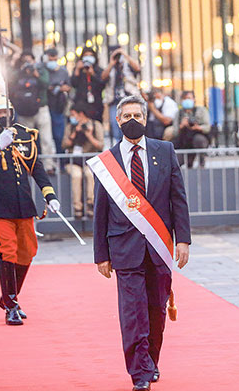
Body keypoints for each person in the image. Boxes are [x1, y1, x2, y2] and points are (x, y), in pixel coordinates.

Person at [90, 95, 190, 391]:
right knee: (133, 313)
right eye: (126, 116)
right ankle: (140, 373)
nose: (132, 120)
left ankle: (151, 360)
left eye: (138, 115)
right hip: (124, 249)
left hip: (159, 246)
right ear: (118, 121)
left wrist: (182, 239)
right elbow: (101, 210)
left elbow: (178, 199)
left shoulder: (165, 150)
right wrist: (101, 254)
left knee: (156, 311)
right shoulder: (108, 162)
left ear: (146, 119)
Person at [0, 95, 60, 326]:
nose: (3, 115)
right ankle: (12, 305)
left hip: (23, 203)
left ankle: (8, 296)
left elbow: (35, 166)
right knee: (7, 251)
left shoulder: (24, 132)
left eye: (6, 110)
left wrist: (49, 194)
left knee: (28, 251)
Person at [11, 51, 56, 173]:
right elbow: (9, 82)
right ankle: (26, 165)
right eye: (24, 60)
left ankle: (49, 165)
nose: (27, 63)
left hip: (41, 107)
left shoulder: (40, 70)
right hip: (24, 110)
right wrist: (19, 69)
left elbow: (47, 84)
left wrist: (36, 74)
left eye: (29, 60)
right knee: (25, 140)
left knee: (46, 138)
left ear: (34, 60)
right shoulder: (18, 73)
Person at [61, 103, 104, 218]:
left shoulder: (95, 125)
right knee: (76, 175)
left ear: (81, 114)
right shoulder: (70, 126)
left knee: (89, 174)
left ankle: (91, 204)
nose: (72, 117)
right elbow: (64, 145)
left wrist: (89, 135)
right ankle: (77, 207)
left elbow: (100, 146)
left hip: (90, 160)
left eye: (73, 114)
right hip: (73, 161)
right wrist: (74, 132)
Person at [102, 46, 141, 141]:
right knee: (116, 126)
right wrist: (111, 63)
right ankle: (119, 146)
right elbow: (103, 77)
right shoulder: (110, 68)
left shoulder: (128, 66)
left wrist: (125, 55)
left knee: (131, 124)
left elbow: (138, 68)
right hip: (114, 102)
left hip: (129, 100)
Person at [173, 90, 210, 167]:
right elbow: (175, 131)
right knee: (177, 162)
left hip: (197, 137)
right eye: (185, 98)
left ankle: (201, 160)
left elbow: (207, 127)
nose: (187, 100)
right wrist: (182, 125)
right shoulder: (179, 113)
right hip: (184, 141)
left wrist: (198, 127)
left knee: (199, 140)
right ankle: (189, 161)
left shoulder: (201, 110)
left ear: (194, 99)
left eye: (189, 98)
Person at [44, 48, 71, 154]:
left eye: (54, 59)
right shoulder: (42, 70)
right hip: (44, 105)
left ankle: (62, 162)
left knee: (59, 135)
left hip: (58, 106)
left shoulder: (62, 71)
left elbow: (68, 86)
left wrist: (60, 88)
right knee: (45, 137)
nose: (53, 61)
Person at [71, 47, 105, 123]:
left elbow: (102, 85)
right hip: (81, 103)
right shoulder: (78, 70)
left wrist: (92, 74)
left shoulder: (98, 70)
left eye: (91, 55)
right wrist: (77, 69)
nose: (88, 57)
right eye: (86, 55)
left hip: (96, 104)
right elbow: (74, 84)